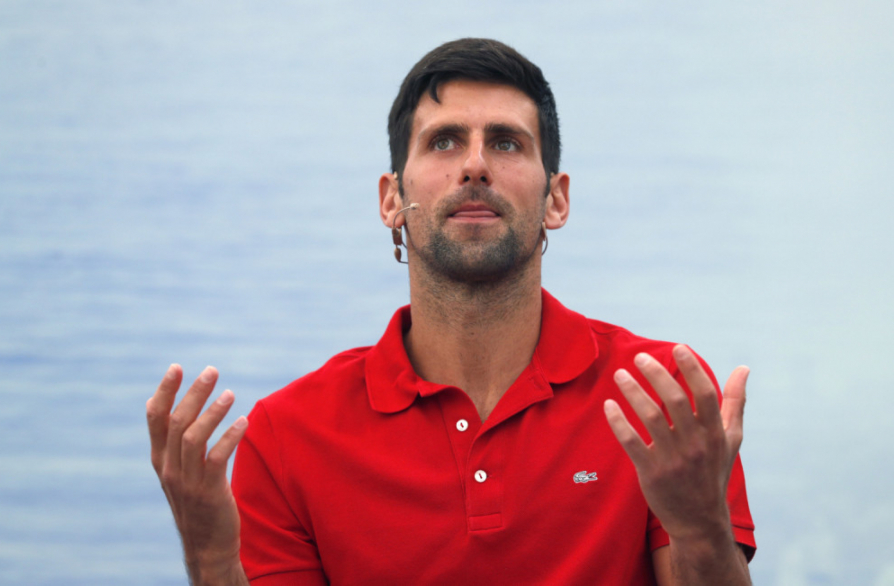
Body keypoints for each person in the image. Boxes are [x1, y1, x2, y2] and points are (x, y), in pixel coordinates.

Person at [146, 38, 755, 585]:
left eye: (506, 143)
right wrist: (212, 561)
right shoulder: (287, 438)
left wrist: (701, 528)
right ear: (392, 199)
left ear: (556, 199)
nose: (474, 165)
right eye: (443, 142)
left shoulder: (660, 397)